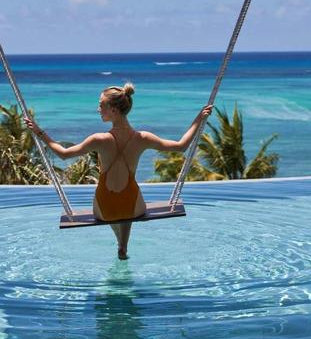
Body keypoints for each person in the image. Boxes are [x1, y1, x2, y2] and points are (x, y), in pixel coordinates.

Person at [25, 83, 213, 260]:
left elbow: (64, 154)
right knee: (128, 203)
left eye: (101, 105)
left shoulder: (98, 139)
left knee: (112, 208)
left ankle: (120, 243)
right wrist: (199, 118)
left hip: (104, 209)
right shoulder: (143, 137)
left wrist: (39, 132)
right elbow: (181, 146)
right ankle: (123, 244)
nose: (98, 109)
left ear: (113, 110)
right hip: (132, 207)